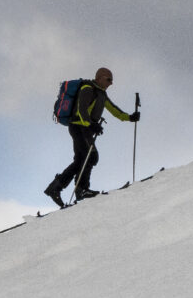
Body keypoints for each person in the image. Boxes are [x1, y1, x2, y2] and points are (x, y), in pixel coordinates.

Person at [44, 68, 138, 208]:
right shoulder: (88, 88)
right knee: (91, 156)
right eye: (108, 79)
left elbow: (114, 110)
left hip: (84, 128)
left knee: (81, 160)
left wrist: (130, 117)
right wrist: (91, 125)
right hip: (78, 126)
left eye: (111, 80)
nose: (111, 83)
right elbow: (81, 110)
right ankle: (81, 189)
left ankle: (56, 188)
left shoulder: (101, 94)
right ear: (99, 78)